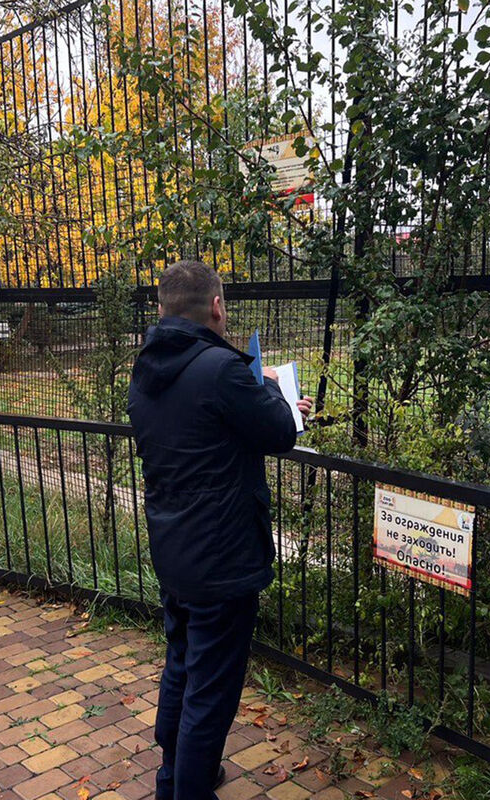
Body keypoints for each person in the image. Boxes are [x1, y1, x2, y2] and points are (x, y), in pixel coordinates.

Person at [127, 260, 313, 800]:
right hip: (223, 558)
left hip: (173, 549)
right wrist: (272, 391)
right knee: (211, 692)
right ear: (215, 307)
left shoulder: (146, 369)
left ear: (162, 309)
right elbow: (279, 432)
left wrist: (259, 389)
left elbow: (202, 432)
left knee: (182, 666)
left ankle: (174, 777)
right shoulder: (221, 369)